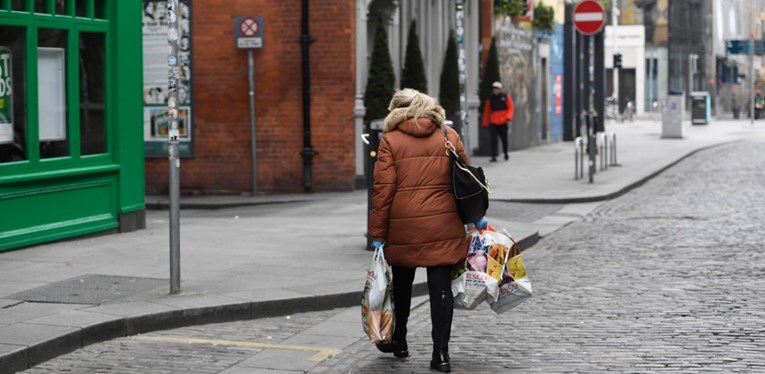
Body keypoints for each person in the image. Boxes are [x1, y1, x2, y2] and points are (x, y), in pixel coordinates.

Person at [369, 89, 488, 373]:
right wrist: (476, 218)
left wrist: (378, 234)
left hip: (404, 224)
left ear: (397, 110)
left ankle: (399, 341)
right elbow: (467, 180)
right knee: (440, 289)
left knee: (401, 285)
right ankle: (441, 354)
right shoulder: (448, 136)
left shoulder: (390, 141)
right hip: (443, 222)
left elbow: (383, 193)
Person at [482, 81, 514, 162]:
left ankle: (506, 153)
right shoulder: (490, 99)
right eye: (494, 89)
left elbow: (511, 108)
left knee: (504, 140)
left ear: (500, 89)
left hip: (503, 123)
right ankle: (493, 156)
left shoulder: (505, 97)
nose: (495, 90)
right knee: (493, 140)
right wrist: (485, 123)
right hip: (494, 123)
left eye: (497, 89)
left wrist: (508, 117)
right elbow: (487, 111)